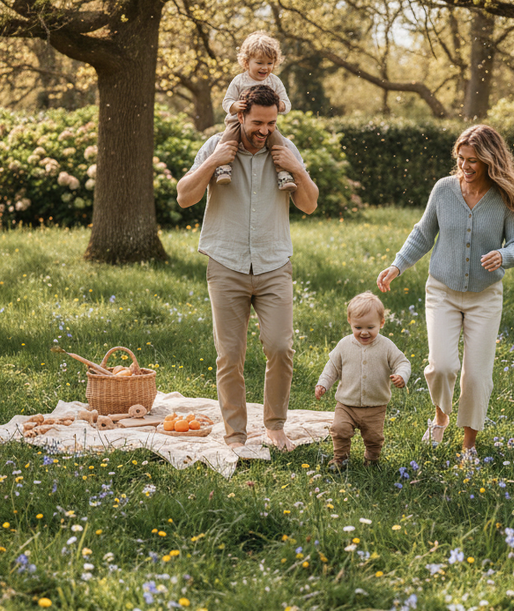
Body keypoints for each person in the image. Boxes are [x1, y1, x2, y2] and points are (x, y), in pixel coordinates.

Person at [176, 84, 319, 452]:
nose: (264, 130)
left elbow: (309, 204)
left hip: (273, 264)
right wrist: (212, 162)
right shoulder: (217, 147)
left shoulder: (284, 150)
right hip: (227, 263)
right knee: (230, 354)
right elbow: (184, 196)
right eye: (257, 122)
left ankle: (274, 426)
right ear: (240, 115)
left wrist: (297, 170)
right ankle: (235, 434)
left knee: (280, 347)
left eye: (271, 123)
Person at [376, 124, 514, 461]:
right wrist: (397, 265)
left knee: (476, 376)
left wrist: (504, 255)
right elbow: (423, 233)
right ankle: (440, 417)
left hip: (485, 297)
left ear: (491, 160)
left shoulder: (505, 198)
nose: (466, 166)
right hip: (442, 291)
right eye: (461, 158)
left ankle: (469, 446)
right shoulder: (444, 190)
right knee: (442, 366)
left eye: (473, 160)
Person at [314, 292, 411, 471]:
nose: (364, 332)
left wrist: (401, 376)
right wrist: (323, 384)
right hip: (346, 404)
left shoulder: (386, 346)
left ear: (381, 323)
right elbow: (332, 368)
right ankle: (340, 459)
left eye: (370, 327)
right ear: (350, 321)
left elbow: (402, 363)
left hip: (375, 406)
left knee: (374, 437)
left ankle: (372, 460)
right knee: (339, 429)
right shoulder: (344, 345)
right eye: (358, 327)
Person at [215, 31, 296, 191]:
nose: (265, 67)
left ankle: (283, 174)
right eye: (259, 63)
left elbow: (287, 103)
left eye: (270, 63)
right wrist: (235, 106)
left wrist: (281, 106)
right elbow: (226, 102)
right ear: (246, 62)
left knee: (278, 143)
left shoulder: (274, 81)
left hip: (265, 124)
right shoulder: (239, 81)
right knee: (228, 139)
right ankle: (223, 167)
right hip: (237, 122)